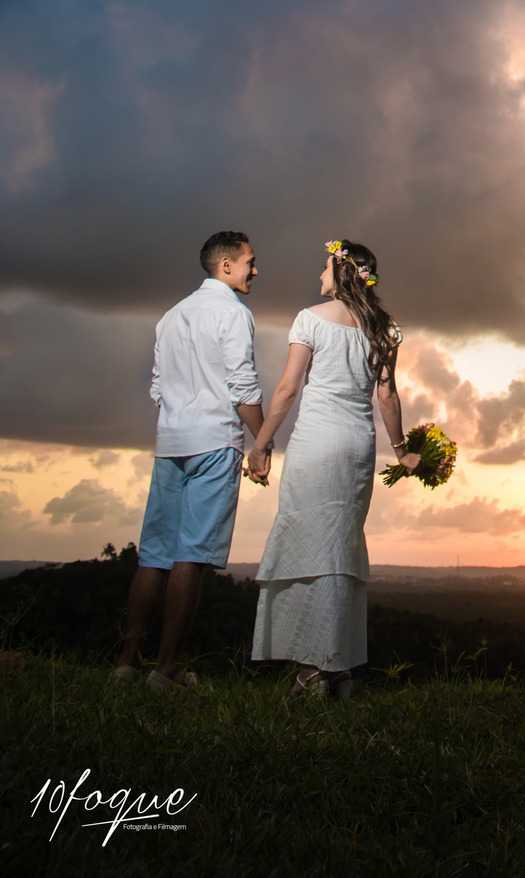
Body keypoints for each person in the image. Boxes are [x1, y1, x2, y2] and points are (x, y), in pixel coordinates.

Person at [246, 238, 417, 698]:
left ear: (342, 273)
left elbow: (285, 391)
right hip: (357, 447)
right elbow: (387, 395)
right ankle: (336, 667)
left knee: (308, 545)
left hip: (316, 444)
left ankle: (312, 669)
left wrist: (261, 446)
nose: (320, 275)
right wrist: (401, 452)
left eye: (325, 267)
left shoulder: (309, 319)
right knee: (340, 548)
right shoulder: (385, 329)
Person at [114, 231, 265, 690]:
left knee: (154, 556)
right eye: (249, 262)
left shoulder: (171, 316)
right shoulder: (234, 315)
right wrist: (263, 441)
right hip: (215, 443)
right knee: (192, 557)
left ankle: (126, 664)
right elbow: (242, 385)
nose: (254, 270)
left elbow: (157, 385)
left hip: (171, 441)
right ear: (225, 266)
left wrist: (179, 414)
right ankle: (167, 669)